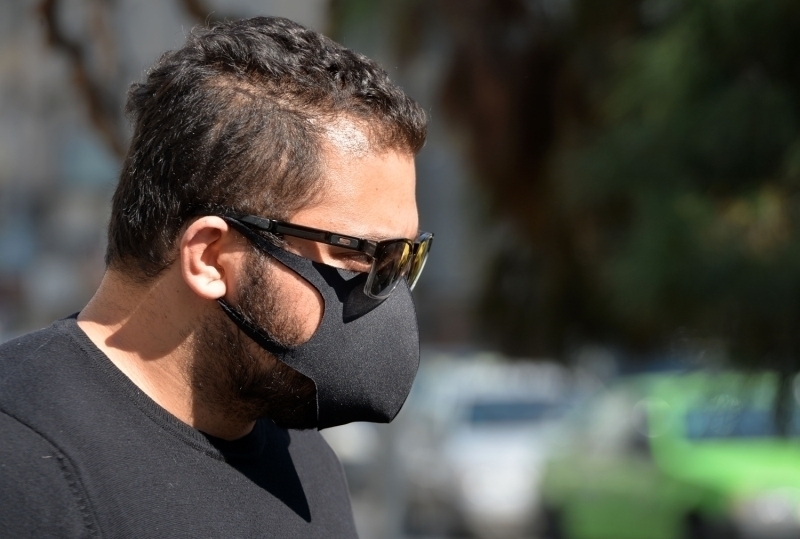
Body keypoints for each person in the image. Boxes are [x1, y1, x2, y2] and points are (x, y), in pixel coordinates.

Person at [0, 16, 431, 538]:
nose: (388, 293)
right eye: (361, 256)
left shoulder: (309, 466)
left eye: (405, 257)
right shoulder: (22, 462)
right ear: (209, 257)